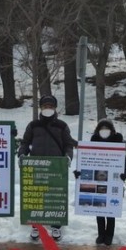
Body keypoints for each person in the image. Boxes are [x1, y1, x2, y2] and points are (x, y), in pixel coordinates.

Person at [19, 94, 76, 242]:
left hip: (56, 168)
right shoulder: (33, 125)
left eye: (50, 106)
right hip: (36, 167)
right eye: (45, 106)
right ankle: (36, 224)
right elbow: (25, 143)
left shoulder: (62, 125)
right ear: (41, 108)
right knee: (36, 196)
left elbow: (68, 144)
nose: (48, 109)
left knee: (55, 196)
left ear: (55, 108)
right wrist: (21, 155)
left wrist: (68, 157)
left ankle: (56, 225)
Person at [86, 119, 126, 246]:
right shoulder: (94, 143)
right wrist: (81, 174)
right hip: (98, 179)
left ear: (112, 131)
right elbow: (87, 160)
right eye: (101, 128)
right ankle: (101, 234)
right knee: (99, 208)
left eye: (107, 128)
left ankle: (109, 234)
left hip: (113, 181)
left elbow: (123, 161)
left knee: (111, 209)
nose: (104, 131)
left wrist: (124, 173)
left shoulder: (118, 143)